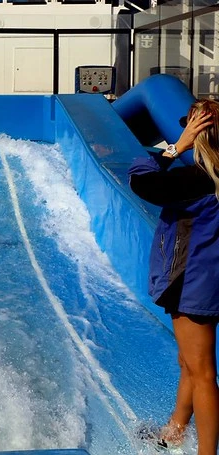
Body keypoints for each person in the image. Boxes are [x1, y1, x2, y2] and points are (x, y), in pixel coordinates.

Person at [128, 99, 219, 455]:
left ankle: (206, 452)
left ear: (200, 134)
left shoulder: (196, 179)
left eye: (189, 127)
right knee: (190, 362)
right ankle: (175, 431)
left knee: (203, 373)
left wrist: (175, 146)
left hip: (193, 279)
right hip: (204, 276)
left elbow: (142, 181)